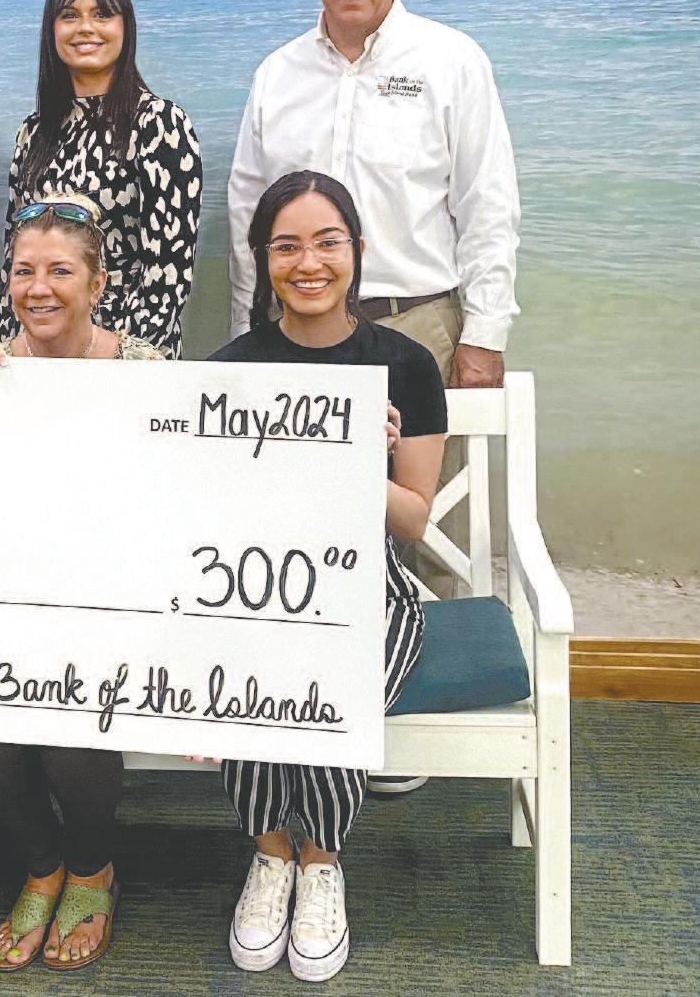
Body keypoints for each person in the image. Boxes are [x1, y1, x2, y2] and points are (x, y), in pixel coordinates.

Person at [211, 170, 446, 983]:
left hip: (369, 588)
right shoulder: (232, 367)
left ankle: (321, 859)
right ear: (263, 259)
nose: (308, 263)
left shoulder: (406, 365)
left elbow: (412, 522)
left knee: (333, 678)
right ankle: (270, 851)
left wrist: (361, 461)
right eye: (286, 247)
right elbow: (210, 510)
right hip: (257, 582)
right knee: (246, 663)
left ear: (358, 251)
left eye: (326, 242)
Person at [0, 194, 161, 972]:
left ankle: (93, 868)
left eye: (60, 271)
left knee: (75, 715)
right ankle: (42, 866)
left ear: (98, 284)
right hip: (9, 601)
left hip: (117, 604)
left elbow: (183, 498)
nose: (37, 288)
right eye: (23, 271)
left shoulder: (146, 372)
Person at [227, 0, 519, 389]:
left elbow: (487, 204)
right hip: (292, 331)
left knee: (429, 449)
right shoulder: (277, 73)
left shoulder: (452, 62)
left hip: (416, 325)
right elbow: (248, 217)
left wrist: (485, 335)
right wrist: (247, 328)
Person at [0, 0, 201, 358]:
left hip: (127, 353)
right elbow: (12, 260)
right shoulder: (34, 132)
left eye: (102, 14)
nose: (86, 28)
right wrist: (8, 351)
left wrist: (117, 358)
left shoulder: (159, 124)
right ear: (52, 30)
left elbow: (168, 273)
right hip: (41, 346)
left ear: (125, 27)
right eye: (70, 16)